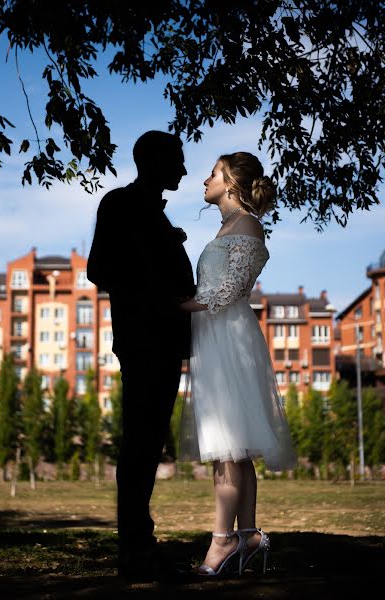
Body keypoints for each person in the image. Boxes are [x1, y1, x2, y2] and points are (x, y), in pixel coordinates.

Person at [179, 151, 297, 578]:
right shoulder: (227, 226)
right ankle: (247, 534)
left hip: (229, 337)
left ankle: (221, 542)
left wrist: (176, 305)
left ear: (230, 183)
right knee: (235, 448)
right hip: (215, 335)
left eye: (212, 174)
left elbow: (229, 291)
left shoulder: (247, 224)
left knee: (227, 445)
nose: (203, 181)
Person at [87, 131, 196, 581]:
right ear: (152, 161)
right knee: (139, 446)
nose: (185, 171)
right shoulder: (119, 203)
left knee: (150, 444)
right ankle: (134, 548)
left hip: (166, 345)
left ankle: (140, 542)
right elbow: (99, 269)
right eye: (178, 161)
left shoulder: (157, 215)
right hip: (141, 341)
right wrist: (163, 297)